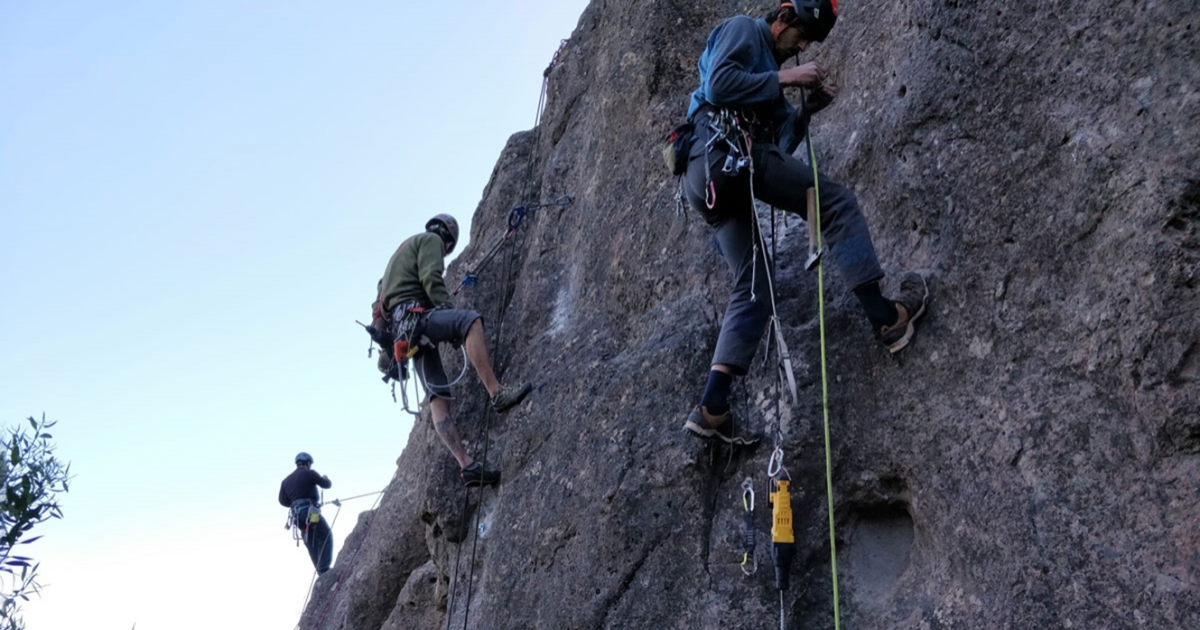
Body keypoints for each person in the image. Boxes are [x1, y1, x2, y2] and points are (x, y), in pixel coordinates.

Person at [681, 1, 930, 445]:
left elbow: (780, 146)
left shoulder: (768, 80)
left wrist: (805, 111)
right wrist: (786, 78)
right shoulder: (744, 30)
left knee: (754, 282)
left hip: (708, 177)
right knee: (831, 202)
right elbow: (718, 84)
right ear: (783, 17)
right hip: (721, 148)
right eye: (803, 36)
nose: (803, 47)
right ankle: (885, 316)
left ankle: (711, 408)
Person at [375, 213, 533, 487]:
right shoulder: (430, 241)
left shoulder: (393, 262)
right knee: (468, 321)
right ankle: (497, 393)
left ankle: (467, 465)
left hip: (405, 333)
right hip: (416, 320)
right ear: (448, 241)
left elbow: (382, 309)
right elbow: (431, 278)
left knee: (438, 396)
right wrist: (449, 315)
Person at [278, 452, 334, 574]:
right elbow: (326, 485)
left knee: (310, 540)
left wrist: (295, 502)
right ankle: (324, 569)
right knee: (325, 535)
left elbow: (282, 501)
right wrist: (325, 479)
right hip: (310, 511)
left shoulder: (286, 481)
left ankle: (320, 570)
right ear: (308, 463)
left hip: (297, 516)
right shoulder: (310, 473)